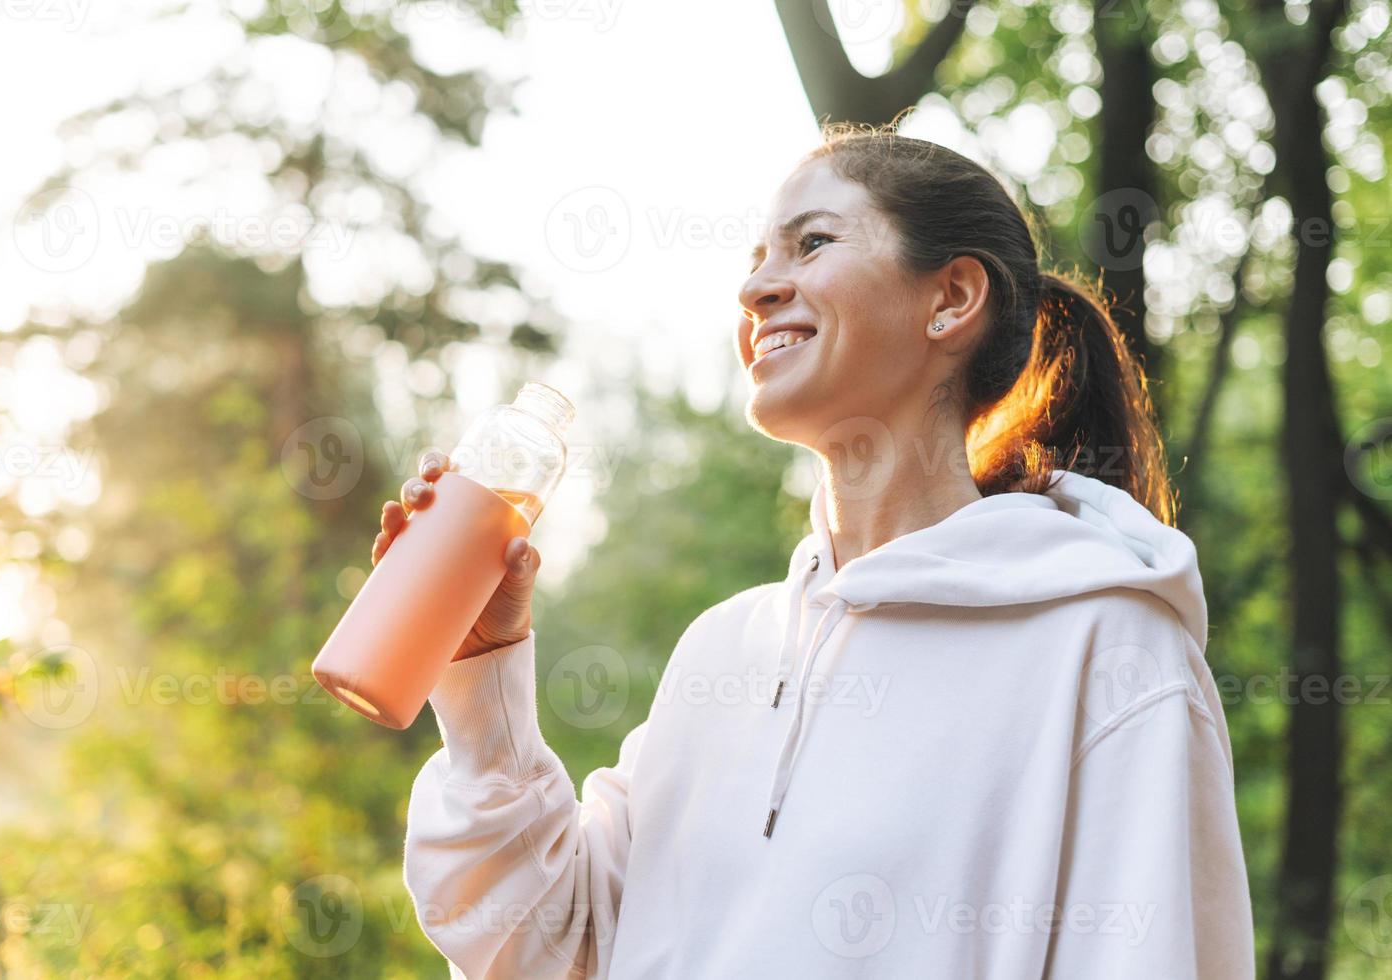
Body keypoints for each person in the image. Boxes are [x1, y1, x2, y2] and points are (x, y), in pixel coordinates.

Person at [377, 122, 1256, 978]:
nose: (758, 289)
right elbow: (548, 951)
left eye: (812, 244)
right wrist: (482, 673)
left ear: (951, 299)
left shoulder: (1106, 650)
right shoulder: (724, 652)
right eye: (756, 259)